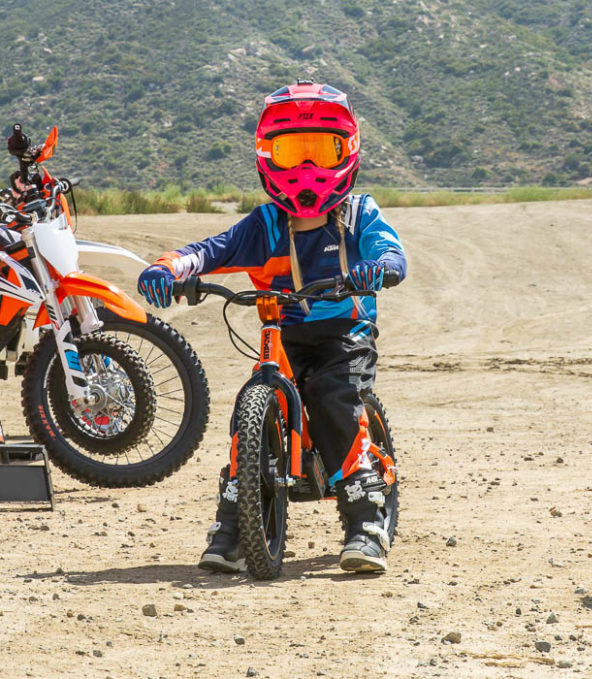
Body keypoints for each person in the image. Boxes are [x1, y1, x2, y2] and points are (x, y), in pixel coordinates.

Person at [137, 81, 407, 574]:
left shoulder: (358, 215)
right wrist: (169, 268)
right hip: (282, 334)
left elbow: (391, 252)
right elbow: (209, 250)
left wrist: (380, 266)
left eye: (321, 151)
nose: (307, 168)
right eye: (290, 152)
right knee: (248, 408)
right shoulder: (264, 224)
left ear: (347, 151)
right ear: (267, 156)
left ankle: (366, 522)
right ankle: (235, 528)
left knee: (334, 398)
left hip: (342, 333)